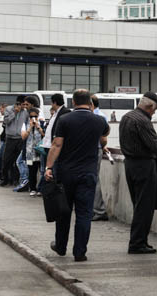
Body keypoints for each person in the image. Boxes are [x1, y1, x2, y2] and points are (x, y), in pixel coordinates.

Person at [45, 89, 110, 262]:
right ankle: (80, 252)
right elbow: (103, 140)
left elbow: (56, 145)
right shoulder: (99, 120)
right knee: (84, 214)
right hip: (88, 173)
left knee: (64, 211)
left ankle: (60, 246)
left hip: (66, 174)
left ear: (73, 102)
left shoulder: (65, 120)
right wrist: (101, 143)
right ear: (90, 103)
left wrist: (48, 167)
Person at [119, 92, 157, 254]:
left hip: (130, 164)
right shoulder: (143, 121)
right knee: (145, 206)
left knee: (138, 204)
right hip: (144, 166)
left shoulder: (126, 117)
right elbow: (155, 147)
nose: (154, 113)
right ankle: (137, 243)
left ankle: (140, 241)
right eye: (155, 110)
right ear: (149, 106)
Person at [37, 94, 69, 191]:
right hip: (48, 146)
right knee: (46, 170)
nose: (51, 104)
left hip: (55, 147)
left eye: (51, 102)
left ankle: (55, 192)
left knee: (54, 171)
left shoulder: (65, 112)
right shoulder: (55, 113)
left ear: (54, 102)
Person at [0, 95, 28, 187]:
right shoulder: (8, 109)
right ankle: (5, 179)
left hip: (20, 139)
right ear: (18, 103)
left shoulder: (26, 111)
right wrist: (15, 112)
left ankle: (15, 180)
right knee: (6, 160)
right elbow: (6, 121)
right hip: (10, 138)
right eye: (23, 104)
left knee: (17, 161)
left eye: (25, 104)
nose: (24, 106)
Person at [91, 94, 109, 221]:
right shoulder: (101, 116)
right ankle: (95, 209)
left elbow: (103, 139)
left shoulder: (98, 117)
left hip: (94, 150)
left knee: (94, 179)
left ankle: (99, 210)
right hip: (96, 149)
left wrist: (102, 146)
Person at [20, 106, 44, 195]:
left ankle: (41, 189)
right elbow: (23, 137)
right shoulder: (25, 124)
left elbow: (45, 135)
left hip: (40, 152)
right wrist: (30, 127)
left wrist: (38, 127)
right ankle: (32, 188)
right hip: (30, 153)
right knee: (31, 171)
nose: (33, 118)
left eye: (35, 116)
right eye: (31, 117)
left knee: (42, 171)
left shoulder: (42, 123)